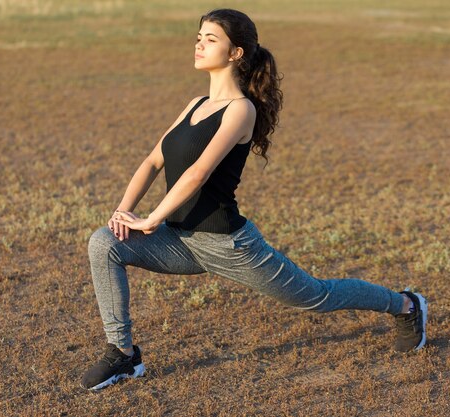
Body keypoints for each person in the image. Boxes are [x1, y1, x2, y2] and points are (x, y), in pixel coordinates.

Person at [79, 8, 427, 391]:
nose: (199, 44)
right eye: (199, 37)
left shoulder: (240, 110)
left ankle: (406, 305)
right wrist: (124, 210)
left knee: (316, 296)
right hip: (180, 241)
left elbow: (198, 173)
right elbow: (152, 161)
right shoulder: (195, 104)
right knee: (105, 243)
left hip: (230, 246)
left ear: (235, 54)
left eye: (211, 39)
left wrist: (149, 220)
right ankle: (123, 355)